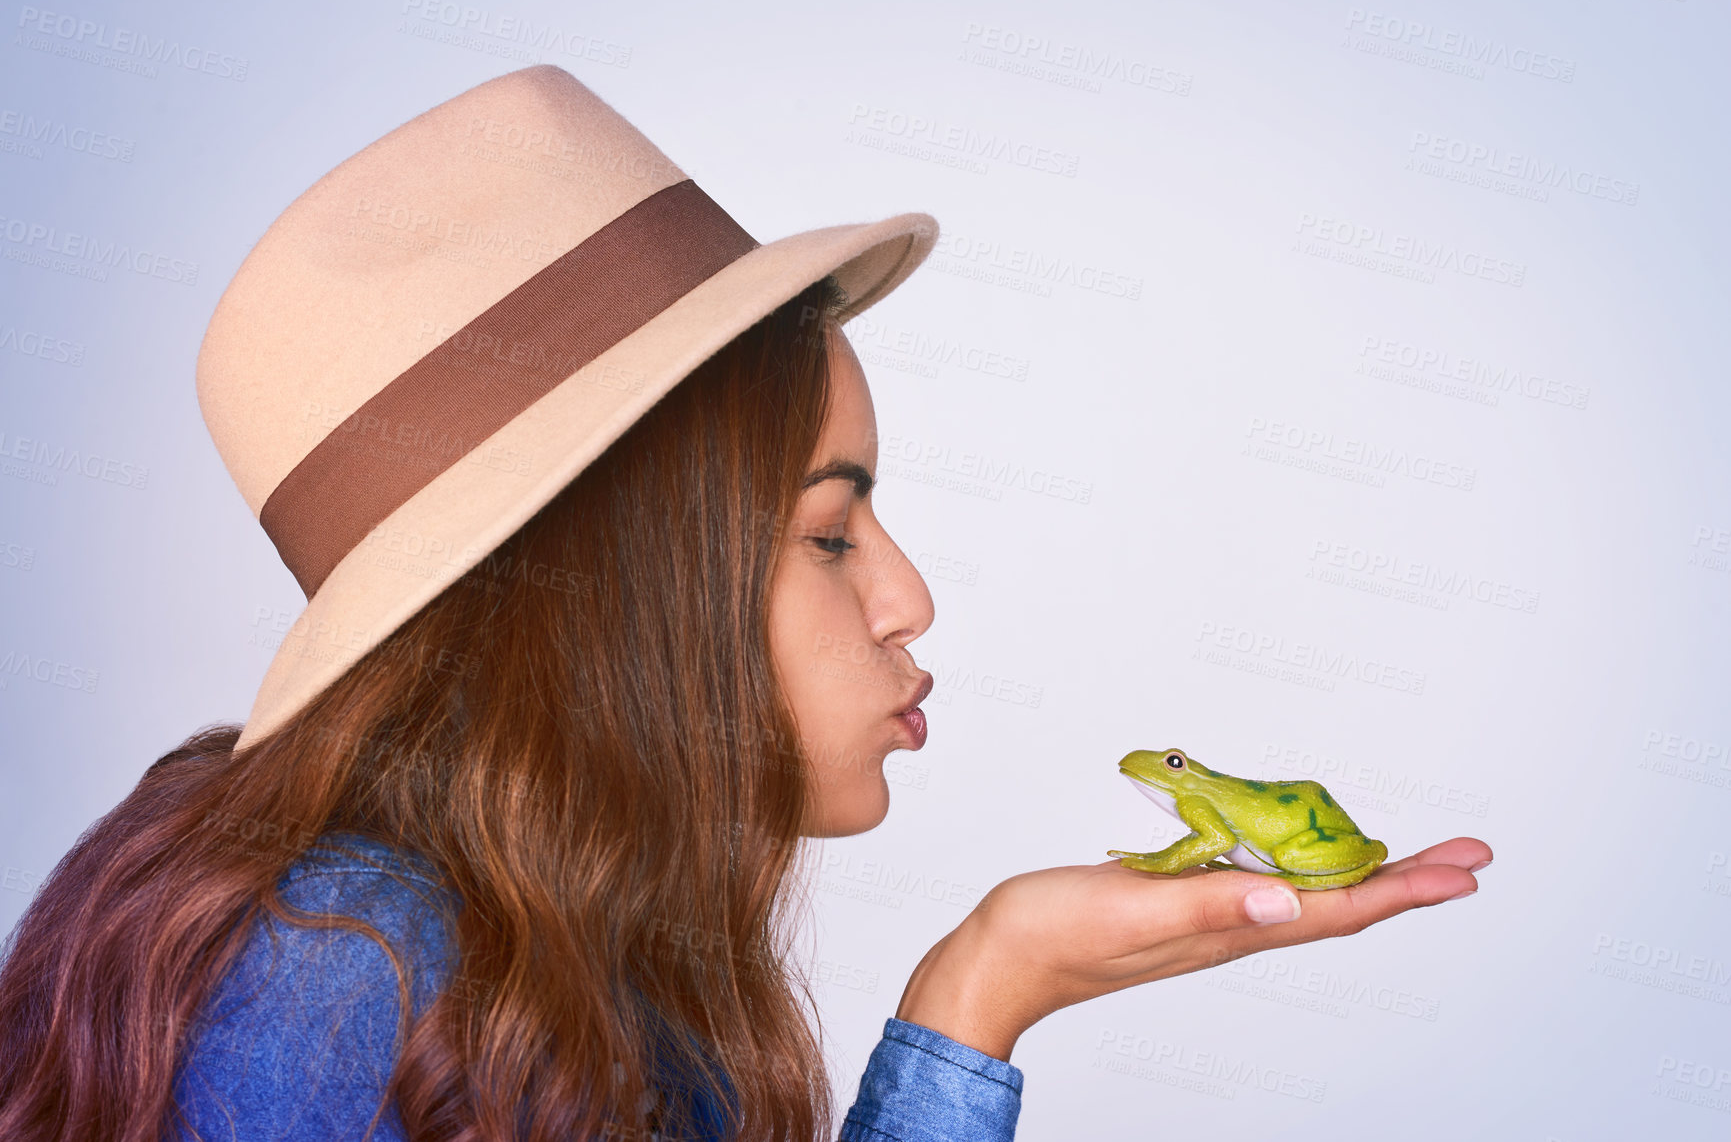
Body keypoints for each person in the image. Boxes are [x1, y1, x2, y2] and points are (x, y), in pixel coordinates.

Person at [0, 67, 1490, 1142]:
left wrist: (981, 991)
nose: (911, 597)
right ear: (601, 589)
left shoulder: (559, 936)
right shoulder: (345, 979)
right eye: (831, 534)